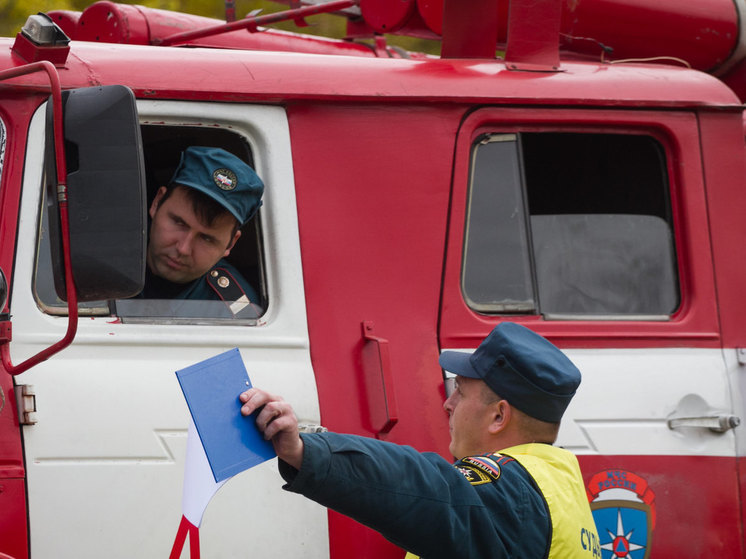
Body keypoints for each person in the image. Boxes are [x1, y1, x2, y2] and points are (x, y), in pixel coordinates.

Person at [239, 322, 601, 558]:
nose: (448, 403)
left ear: (498, 416)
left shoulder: (509, 493)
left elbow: (420, 485)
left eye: (460, 391)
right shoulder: (557, 484)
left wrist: (304, 451)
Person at [142, 146, 264, 307]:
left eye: (206, 238)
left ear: (231, 243)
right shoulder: (105, 249)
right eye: (179, 223)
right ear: (156, 204)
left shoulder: (235, 309)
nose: (183, 249)